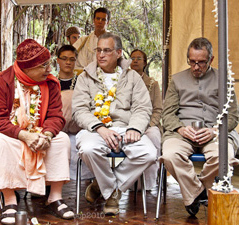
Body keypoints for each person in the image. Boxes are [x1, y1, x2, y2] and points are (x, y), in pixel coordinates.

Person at [0, 39, 74, 224]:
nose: (49, 70)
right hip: (11, 134)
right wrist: (24, 135)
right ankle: (10, 201)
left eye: (48, 64)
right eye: (43, 66)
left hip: (40, 134)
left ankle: (55, 198)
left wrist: (47, 134)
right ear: (27, 69)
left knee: (62, 140)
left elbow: (56, 116)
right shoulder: (0, 82)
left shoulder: (51, 83)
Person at [72, 32, 157, 215]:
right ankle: (113, 192)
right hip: (95, 129)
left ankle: (103, 187)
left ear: (118, 53)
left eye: (107, 50)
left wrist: (135, 128)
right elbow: (79, 110)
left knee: (149, 154)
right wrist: (100, 128)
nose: (101, 54)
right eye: (98, 50)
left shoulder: (133, 77)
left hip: (126, 128)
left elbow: (143, 107)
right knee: (87, 149)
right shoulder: (85, 77)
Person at [161, 37, 239, 216]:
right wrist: (180, 128)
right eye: (192, 61)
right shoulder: (177, 80)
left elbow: (233, 114)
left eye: (201, 62)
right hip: (182, 133)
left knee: (224, 157)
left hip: (215, 132)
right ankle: (200, 193)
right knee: (170, 155)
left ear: (211, 59)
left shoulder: (224, 79)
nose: (196, 67)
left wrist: (214, 130)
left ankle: (195, 193)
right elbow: (167, 114)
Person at [56, 45, 94, 180]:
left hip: (77, 129)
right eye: (64, 59)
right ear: (57, 60)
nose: (68, 62)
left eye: (72, 59)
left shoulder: (83, 81)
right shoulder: (50, 81)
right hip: (55, 129)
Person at [130, 49, 162, 190]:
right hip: (128, 125)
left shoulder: (152, 84)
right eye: (132, 58)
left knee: (154, 135)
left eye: (138, 58)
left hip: (149, 125)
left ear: (145, 62)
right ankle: (129, 182)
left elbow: (158, 109)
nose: (135, 61)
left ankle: (149, 183)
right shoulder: (122, 81)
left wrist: (148, 125)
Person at [73, 7, 110, 72]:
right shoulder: (83, 41)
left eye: (103, 19)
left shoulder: (113, 41)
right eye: (98, 18)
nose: (100, 21)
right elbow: (70, 56)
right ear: (94, 20)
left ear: (107, 22)